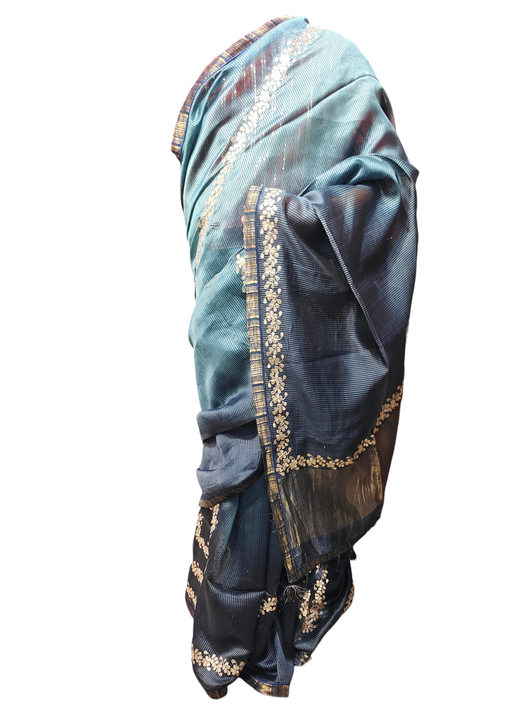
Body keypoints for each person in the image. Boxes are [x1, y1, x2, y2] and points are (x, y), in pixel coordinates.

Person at [171, 14, 419, 698]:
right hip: (228, 311)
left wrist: (286, 226)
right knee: (237, 468)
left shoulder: (337, 66)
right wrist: (254, 233)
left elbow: (388, 188)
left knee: (275, 459)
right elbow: (207, 200)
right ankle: (230, 639)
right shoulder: (219, 91)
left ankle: (270, 633)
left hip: (289, 319)